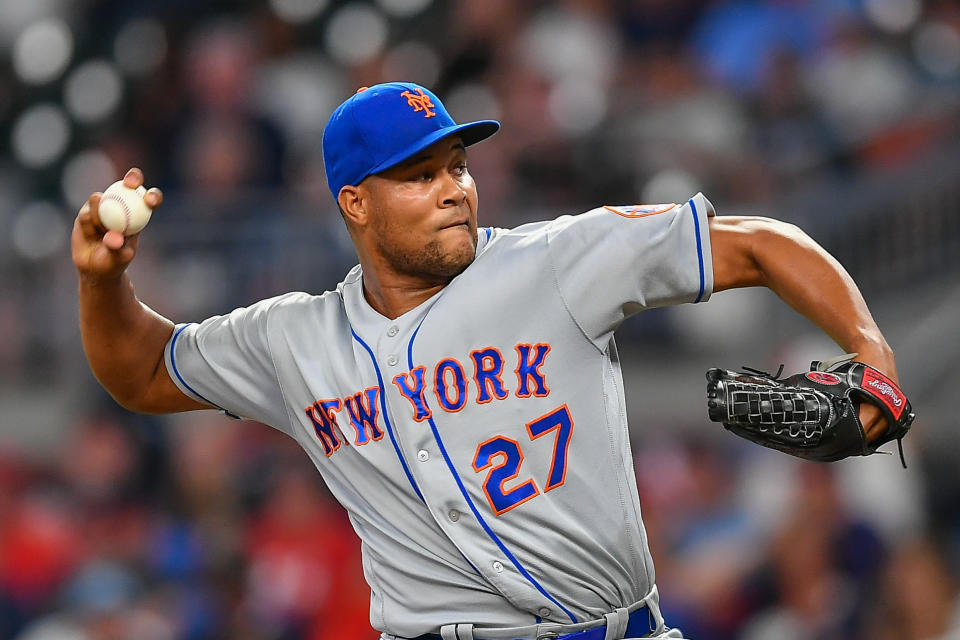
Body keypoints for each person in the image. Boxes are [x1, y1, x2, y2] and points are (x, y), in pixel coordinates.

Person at [72, 82, 900, 640]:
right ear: (354, 202)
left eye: (458, 167)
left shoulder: (553, 261)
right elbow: (141, 372)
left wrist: (871, 353)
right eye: (420, 174)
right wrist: (103, 282)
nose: (454, 189)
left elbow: (758, 243)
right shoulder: (294, 340)